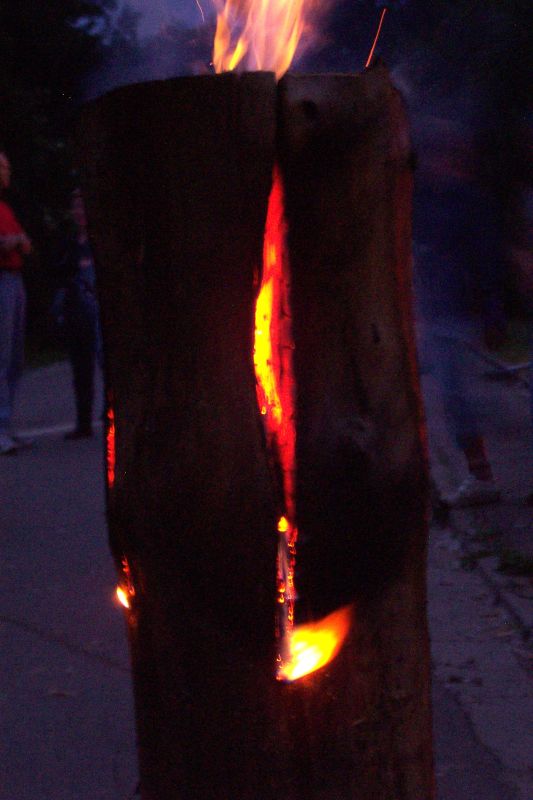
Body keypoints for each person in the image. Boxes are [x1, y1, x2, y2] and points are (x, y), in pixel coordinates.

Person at [52, 189, 102, 439]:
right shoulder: (70, 245)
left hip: (97, 314)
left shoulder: (100, 242)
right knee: (81, 369)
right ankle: (84, 422)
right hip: (77, 313)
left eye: (83, 206)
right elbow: (59, 274)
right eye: (76, 207)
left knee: (104, 363)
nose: (80, 212)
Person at [0, 152, 32, 455]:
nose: (7, 172)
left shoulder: (6, 209)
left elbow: (25, 243)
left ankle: (7, 426)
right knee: (2, 354)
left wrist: (17, 242)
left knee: (14, 357)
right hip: (2, 280)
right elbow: (12, 242)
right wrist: (11, 242)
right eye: (4, 167)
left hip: (15, 279)